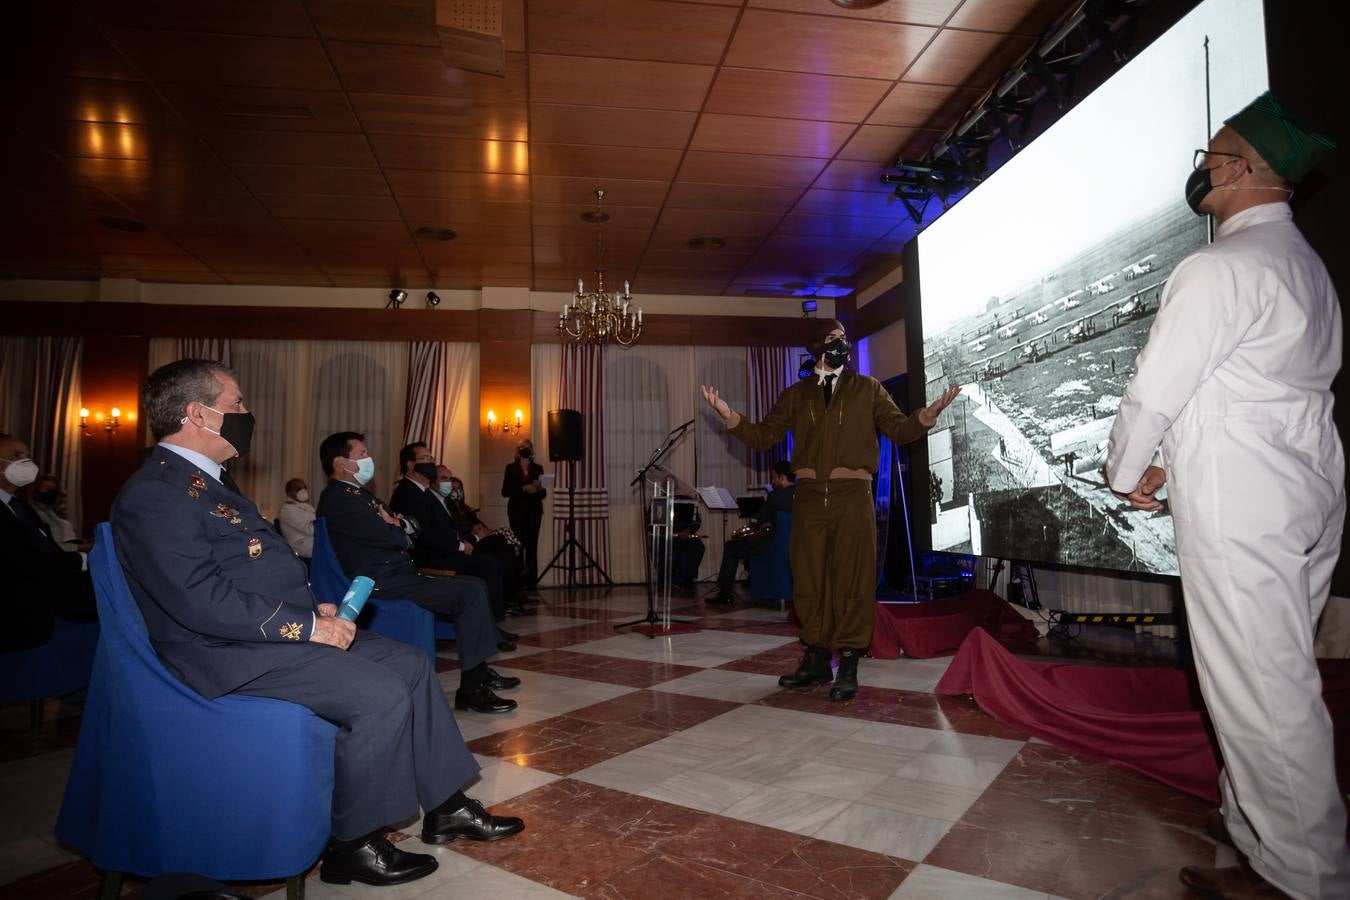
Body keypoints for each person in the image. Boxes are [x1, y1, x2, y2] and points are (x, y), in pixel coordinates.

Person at [112, 360, 523, 888]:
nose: (245, 413)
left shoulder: (206, 482)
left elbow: (246, 573)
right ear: (198, 413)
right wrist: (302, 627)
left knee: (412, 664)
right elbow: (197, 600)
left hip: (259, 636)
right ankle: (353, 843)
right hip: (224, 653)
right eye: (236, 403)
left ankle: (447, 806)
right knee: (379, 692)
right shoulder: (158, 492)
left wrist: (313, 613)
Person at [1104, 91, 1348, 899]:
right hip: (1302, 485)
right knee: (1270, 674)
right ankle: (1255, 830)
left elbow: (1157, 389)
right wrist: (1168, 466)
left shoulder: (1218, 267)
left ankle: (1303, 878)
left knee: (1261, 691)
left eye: (1211, 155)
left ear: (1242, 170)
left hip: (1243, 501)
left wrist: (1124, 470)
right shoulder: (1303, 265)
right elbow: (1246, 390)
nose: (1202, 169)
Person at [701, 319, 959, 701]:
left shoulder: (867, 388)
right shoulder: (797, 395)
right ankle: (817, 658)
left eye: (844, 339)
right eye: (834, 339)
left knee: (852, 579)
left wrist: (928, 414)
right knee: (808, 580)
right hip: (808, 498)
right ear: (817, 347)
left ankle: (851, 660)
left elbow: (899, 430)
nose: (843, 344)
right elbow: (762, 437)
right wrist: (727, 413)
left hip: (853, 496)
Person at [316, 432, 521, 714]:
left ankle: (479, 674)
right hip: (382, 581)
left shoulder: (360, 496)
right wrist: (398, 527)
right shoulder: (340, 500)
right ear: (341, 463)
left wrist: (398, 525)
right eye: (361, 454)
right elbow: (398, 537)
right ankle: (473, 688)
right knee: (470, 591)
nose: (368, 459)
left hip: (397, 575)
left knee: (473, 584)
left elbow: (411, 528)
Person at [389, 442, 519, 635]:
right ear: (410, 465)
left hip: (440, 550)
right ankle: (489, 629)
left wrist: (462, 542)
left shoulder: (422, 491)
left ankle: (491, 625)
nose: (431, 462)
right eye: (425, 459)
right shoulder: (408, 492)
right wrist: (459, 546)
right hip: (428, 557)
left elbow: (441, 526)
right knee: (488, 566)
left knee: (492, 559)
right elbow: (426, 534)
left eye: (431, 458)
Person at [0, 434, 98, 651]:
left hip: (49, 587)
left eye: (28, 456)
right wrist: (83, 558)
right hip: (18, 604)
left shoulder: (20, 507)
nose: (26, 462)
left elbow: (49, 549)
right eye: (16, 456)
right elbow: (24, 561)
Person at [436, 466, 532, 613]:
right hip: (468, 541)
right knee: (501, 541)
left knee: (505, 543)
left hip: (477, 536)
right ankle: (514, 579)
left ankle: (514, 580)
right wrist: (477, 532)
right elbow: (462, 528)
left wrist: (483, 531)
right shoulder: (448, 506)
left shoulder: (465, 507)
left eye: (457, 487)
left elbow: (478, 524)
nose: (454, 490)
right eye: (446, 480)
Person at [706, 461, 796, 606]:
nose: (772, 482)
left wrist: (748, 526)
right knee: (749, 543)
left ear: (782, 478)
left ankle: (724, 593)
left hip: (771, 546)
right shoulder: (800, 495)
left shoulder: (775, 496)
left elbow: (758, 520)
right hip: (790, 547)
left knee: (731, 547)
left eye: (773, 478)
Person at [501, 438, 545, 588]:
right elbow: (505, 491)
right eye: (522, 447)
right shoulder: (510, 468)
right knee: (518, 546)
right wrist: (523, 488)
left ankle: (532, 583)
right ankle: (518, 583)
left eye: (528, 447)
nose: (525, 449)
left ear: (532, 451)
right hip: (516, 512)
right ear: (518, 451)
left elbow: (543, 494)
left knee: (532, 546)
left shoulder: (538, 468)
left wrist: (538, 488)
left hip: (534, 512)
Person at [277, 477, 316, 559]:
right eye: (298, 489)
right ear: (289, 492)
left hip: (312, 540)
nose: (302, 491)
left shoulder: (306, 506)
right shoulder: (287, 510)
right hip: (302, 546)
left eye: (304, 488)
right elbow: (311, 529)